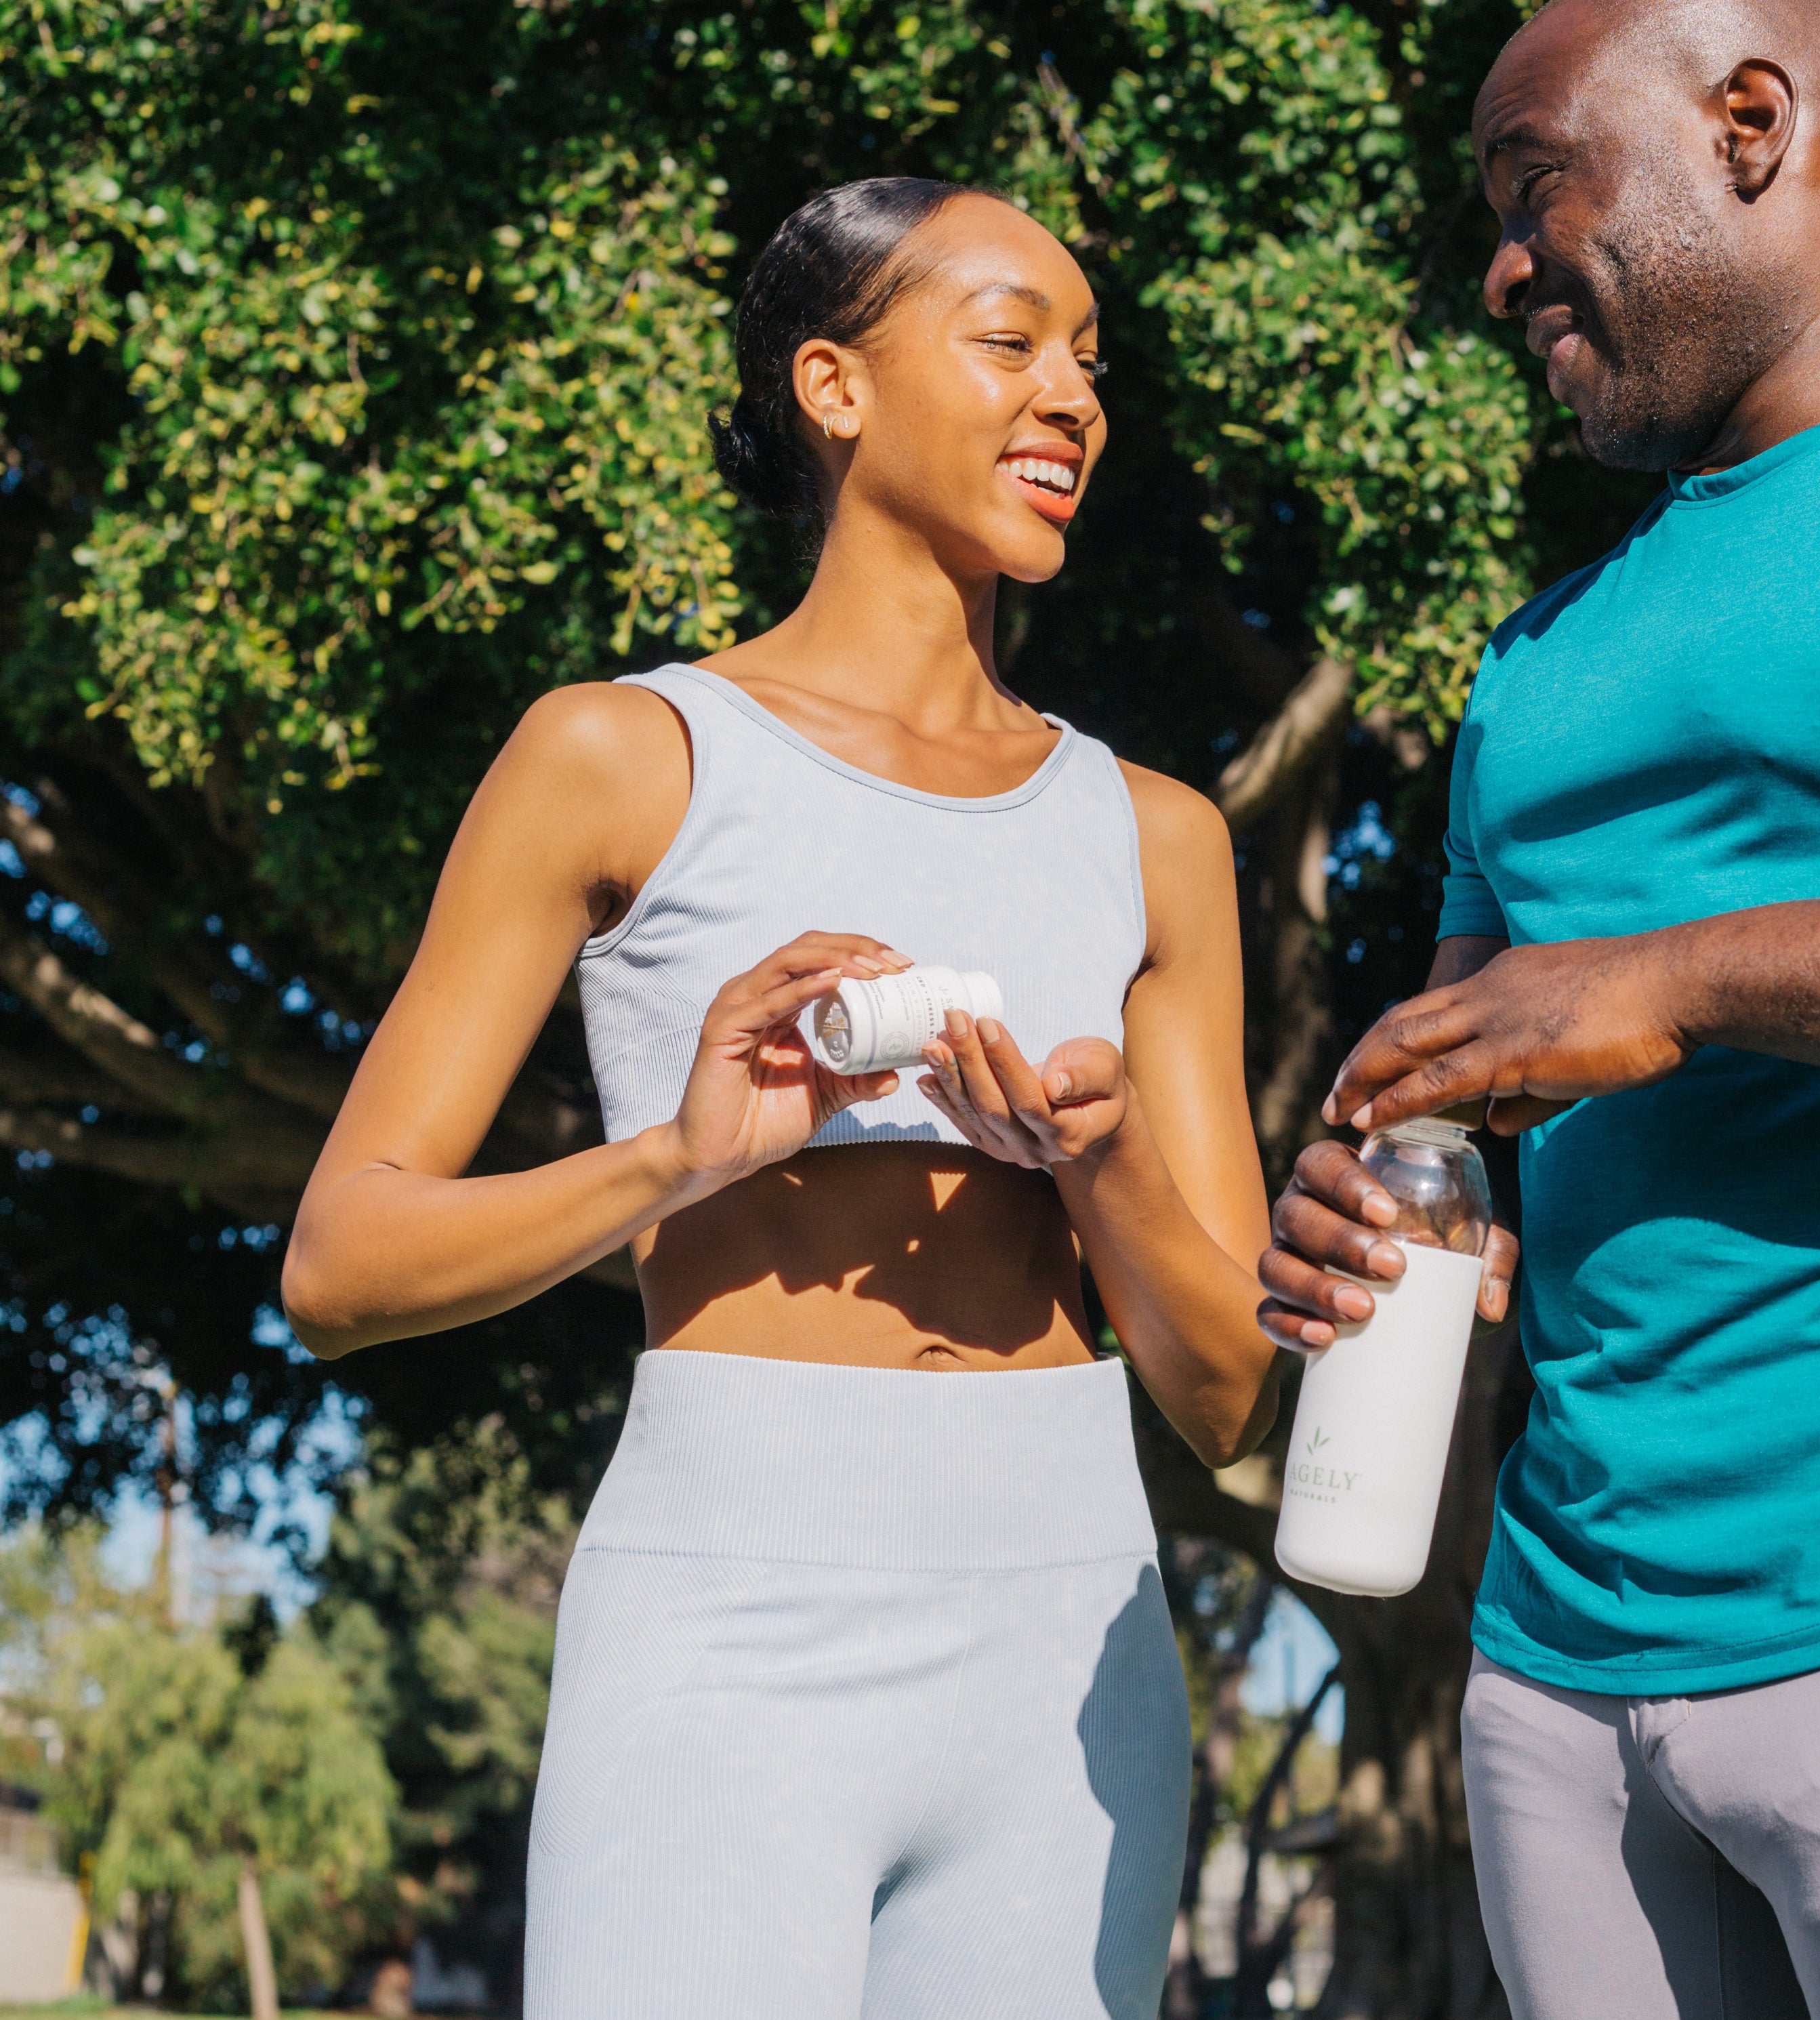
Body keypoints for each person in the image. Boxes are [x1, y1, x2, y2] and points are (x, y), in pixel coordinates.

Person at [282, 179, 1282, 2019]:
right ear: (835, 384)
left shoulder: (1162, 840)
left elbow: (1224, 1394)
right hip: (729, 1611)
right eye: (1010, 342)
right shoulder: (622, 757)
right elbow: (340, 1267)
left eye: (1089, 359)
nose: (1073, 395)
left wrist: (1107, 1160)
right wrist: (676, 1155)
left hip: (1071, 1639)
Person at [1258, 1, 1820, 2012]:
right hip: (1553, 1685)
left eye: (1535, 192)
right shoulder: (1534, 662)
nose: (1502, 268)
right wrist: (1358, 1201)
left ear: (1749, 124)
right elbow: (1450, 1085)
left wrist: (1674, 980)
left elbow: (1609, 1004)